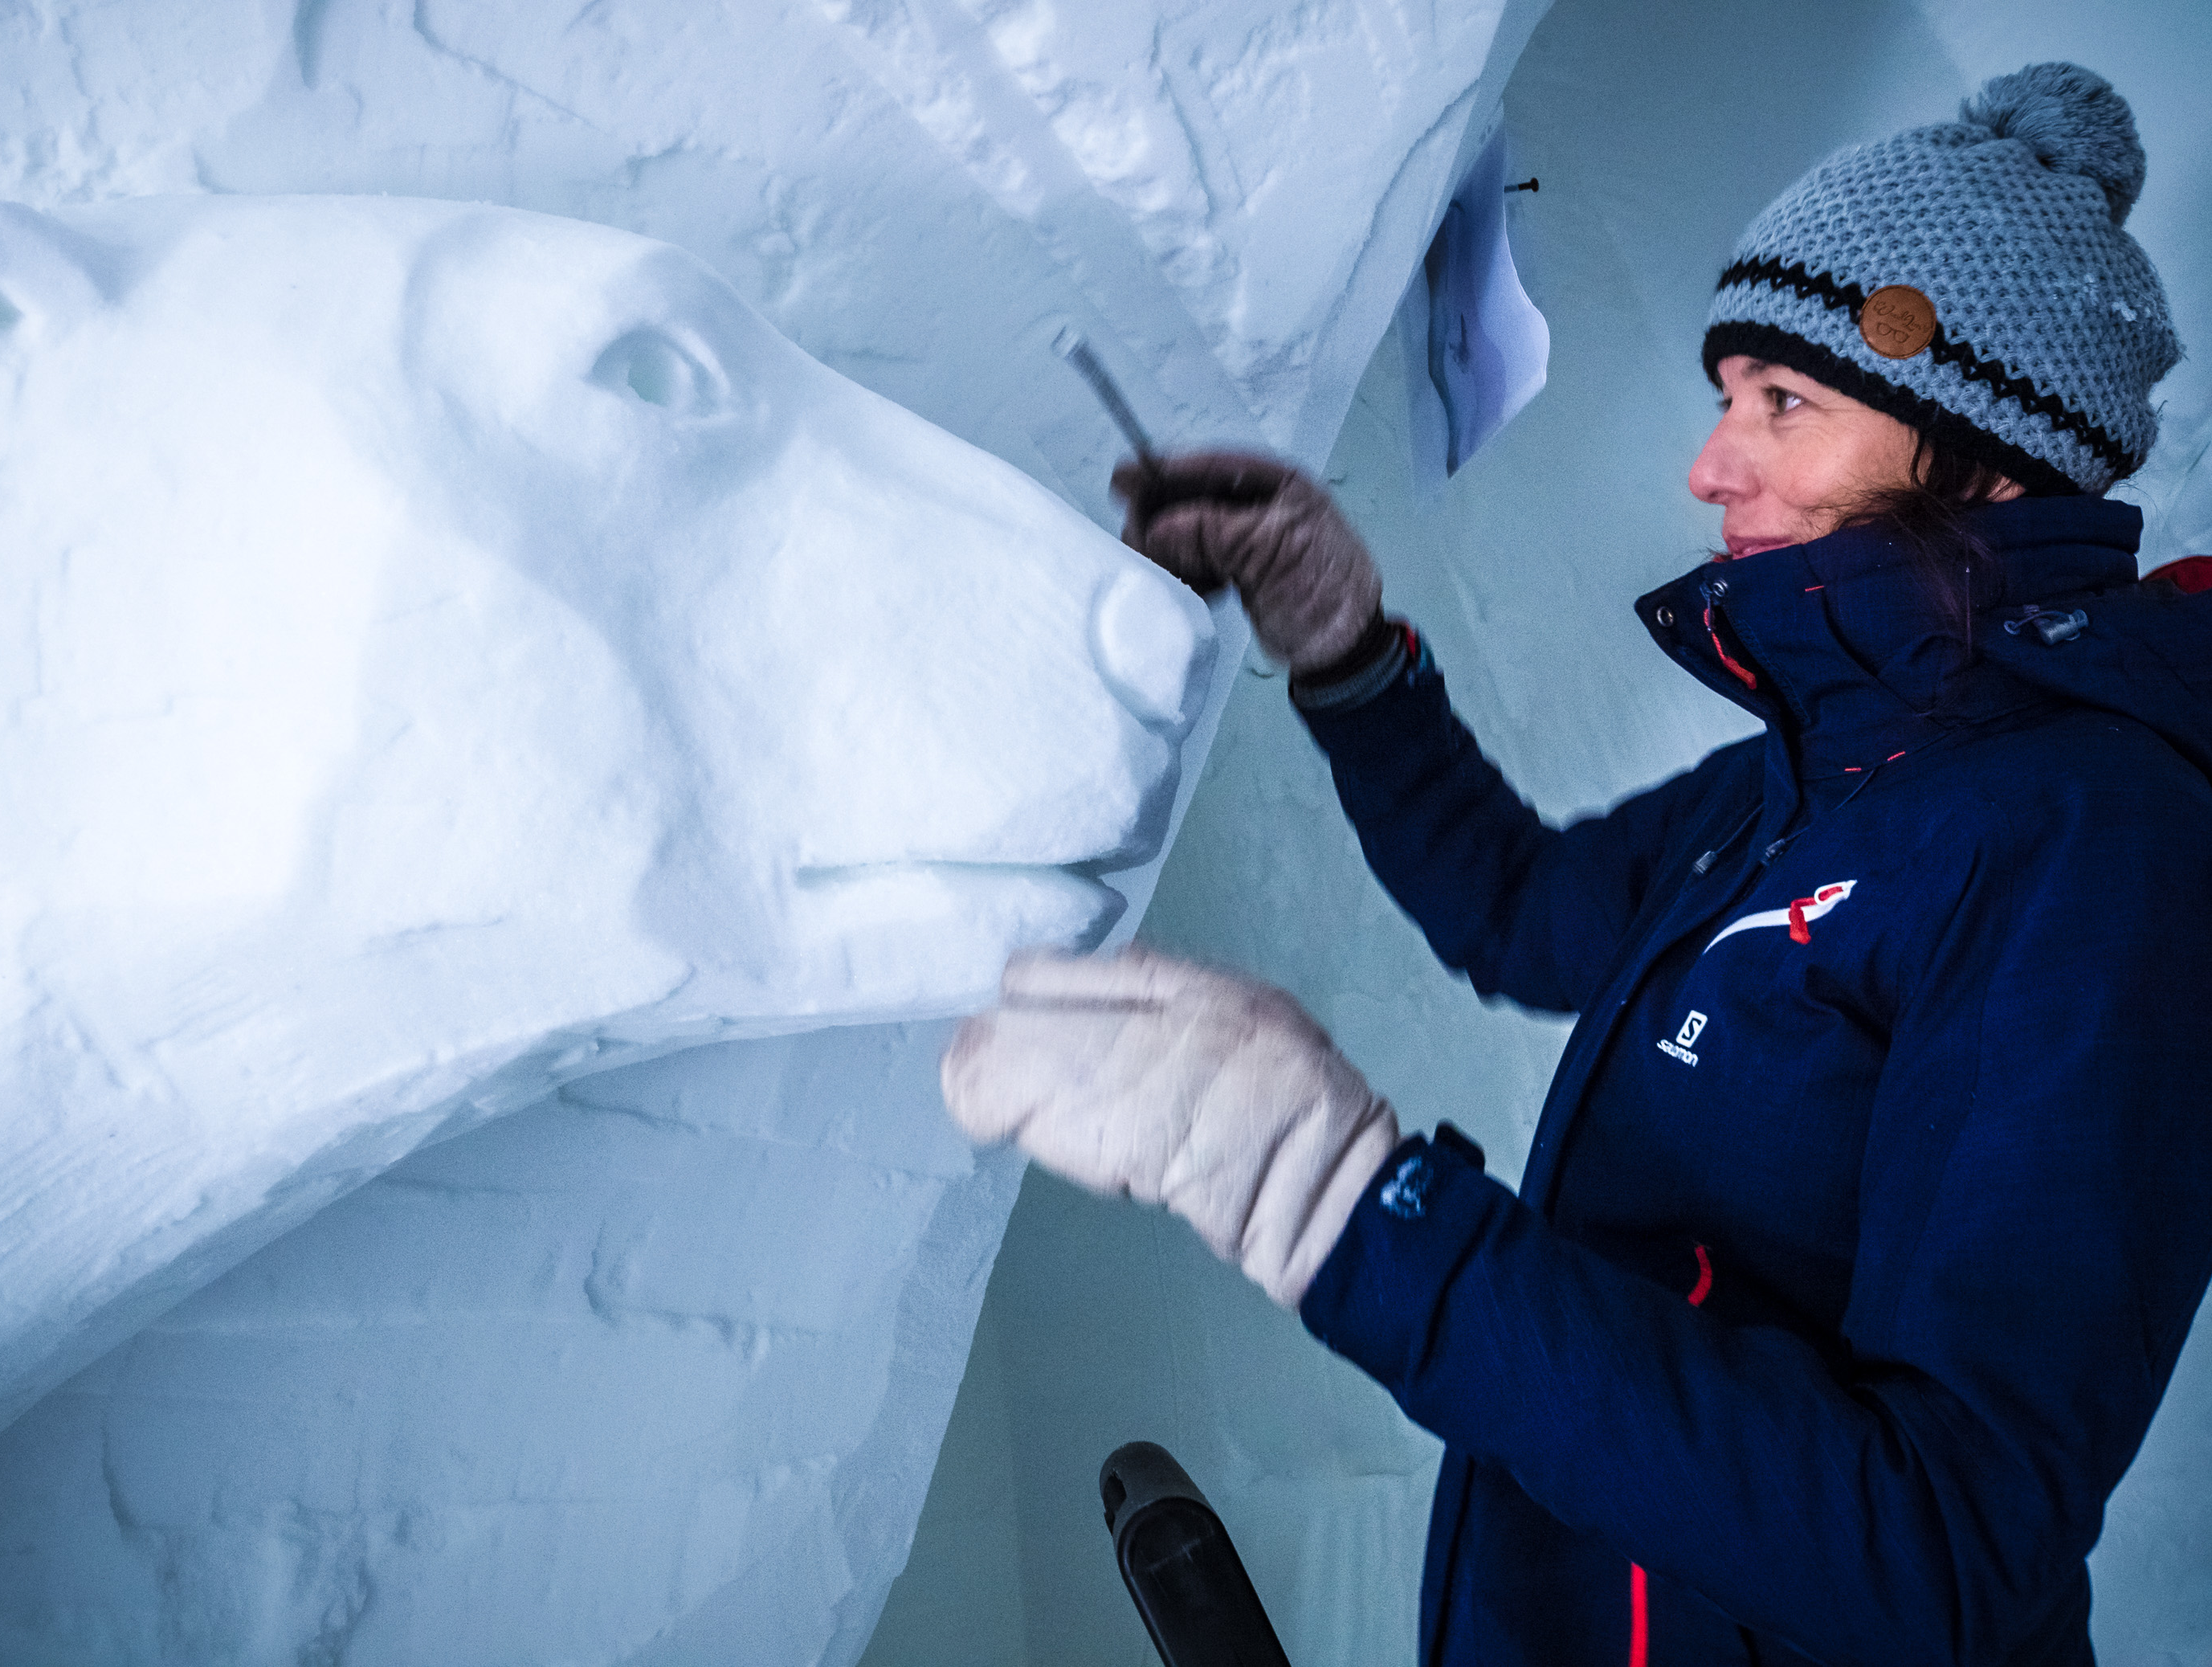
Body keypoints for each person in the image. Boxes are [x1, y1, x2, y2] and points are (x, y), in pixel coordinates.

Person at [941, 62, 2212, 1667]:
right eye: (1726, 393)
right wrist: (1344, 650)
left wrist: (1348, 1208)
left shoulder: (2094, 851)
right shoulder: (1825, 776)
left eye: (1780, 403)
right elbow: (1529, 916)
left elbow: (1942, 1551)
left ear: (1978, 447)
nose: (1708, 464)